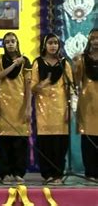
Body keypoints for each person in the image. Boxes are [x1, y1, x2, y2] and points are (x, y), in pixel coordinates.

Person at [31, 33, 72, 185]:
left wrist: (69, 109)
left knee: (60, 143)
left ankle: (58, 174)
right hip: (43, 109)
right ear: (44, 45)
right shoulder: (38, 63)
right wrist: (45, 82)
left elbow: (69, 88)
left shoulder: (64, 64)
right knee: (46, 142)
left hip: (61, 109)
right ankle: (47, 174)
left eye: (55, 43)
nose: (53, 46)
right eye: (50, 43)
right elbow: (32, 88)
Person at [0, 32, 32, 184]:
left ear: (17, 43)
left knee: (19, 141)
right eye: (7, 41)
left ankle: (18, 172)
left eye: (13, 41)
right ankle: (5, 173)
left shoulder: (26, 61)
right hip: (2, 104)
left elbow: (28, 85)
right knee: (3, 140)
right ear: (4, 44)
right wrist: (15, 64)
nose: (10, 44)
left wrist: (28, 107)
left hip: (20, 104)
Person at [73, 28, 98, 182]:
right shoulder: (82, 59)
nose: (96, 41)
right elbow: (76, 82)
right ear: (89, 41)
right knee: (88, 139)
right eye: (93, 38)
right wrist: (75, 67)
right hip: (87, 103)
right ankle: (90, 172)